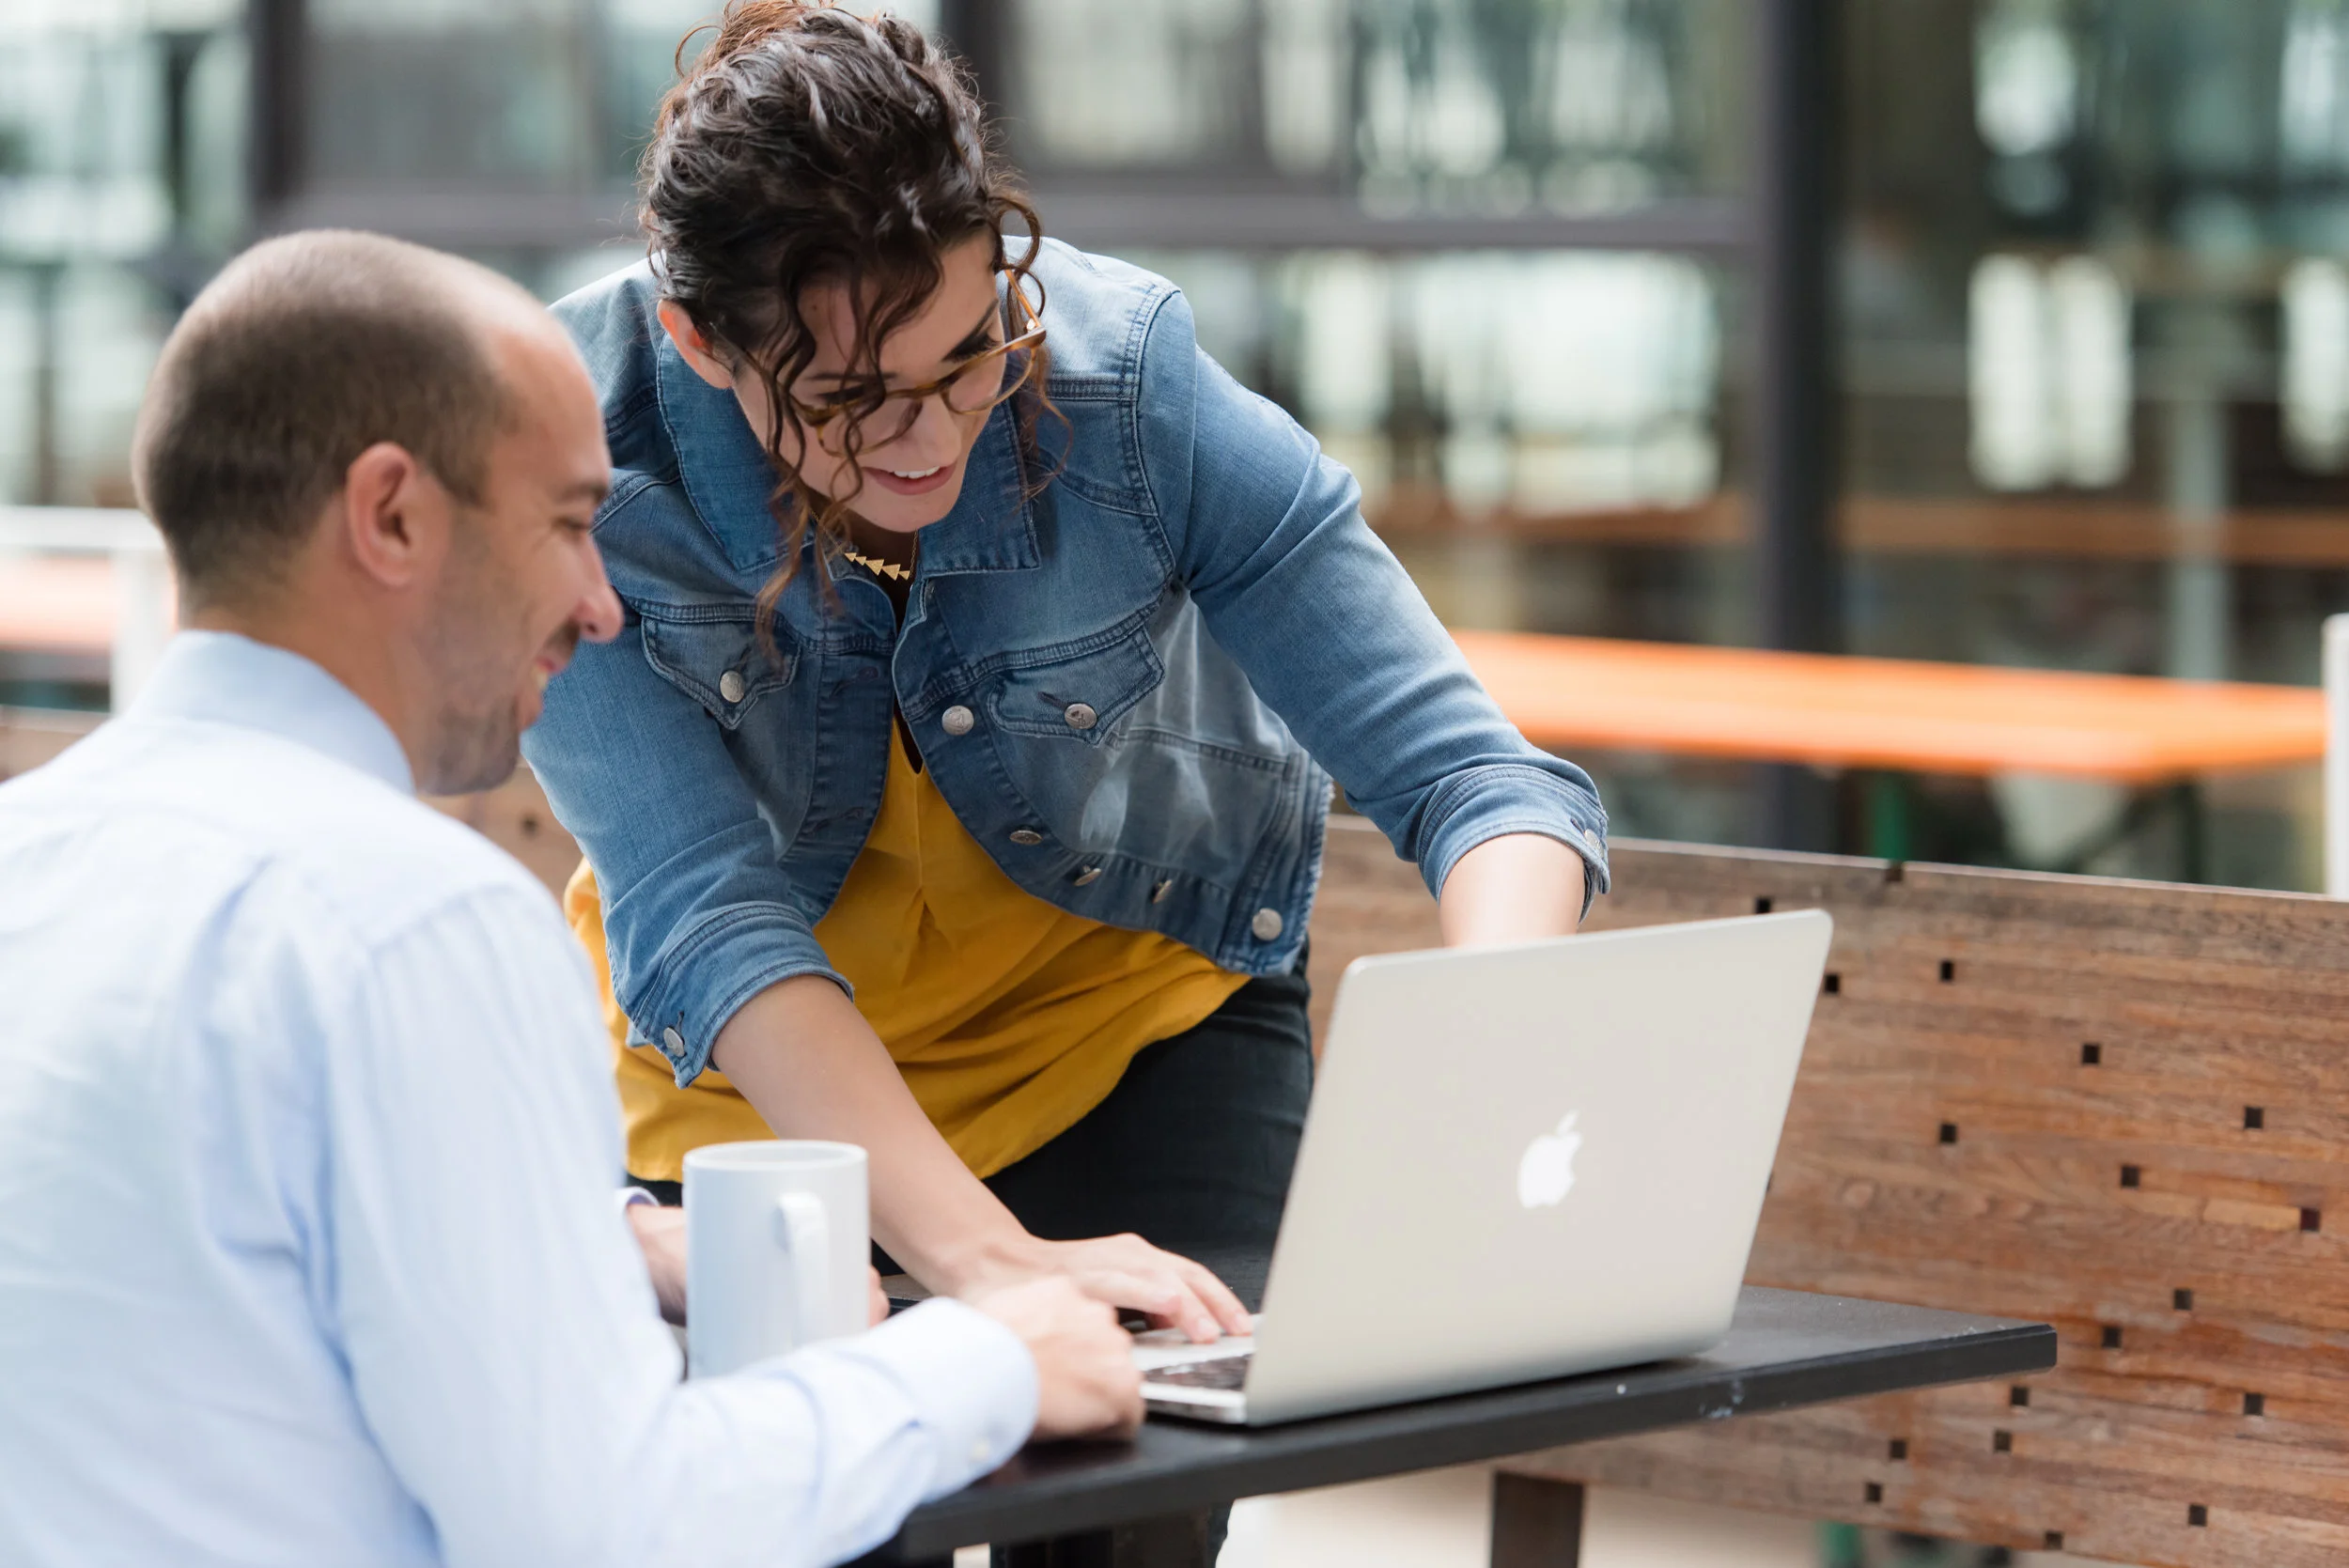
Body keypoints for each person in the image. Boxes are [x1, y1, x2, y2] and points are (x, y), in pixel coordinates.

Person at [0, 229, 1141, 1568]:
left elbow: (194, 1257)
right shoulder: (416, 926)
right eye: (564, 526)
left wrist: (600, 1244)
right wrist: (986, 1360)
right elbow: (608, 1524)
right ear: (392, 516)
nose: (602, 608)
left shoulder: (37, 863)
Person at [529, 0, 1611, 1343]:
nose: (932, 438)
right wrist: (988, 1259)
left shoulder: (1124, 385)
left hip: (1128, 1044)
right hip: (765, 1102)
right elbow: (705, 914)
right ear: (703, 343)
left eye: (971, 352)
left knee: (1148, 1480)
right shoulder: (579, 475)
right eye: (853, 402)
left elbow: (1474, 777)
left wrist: (1490, 1036)